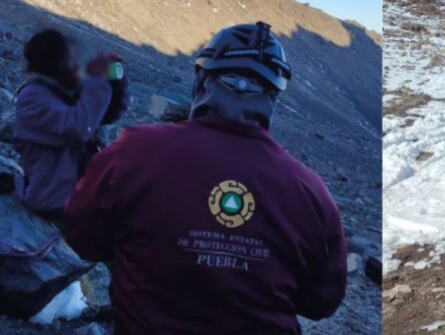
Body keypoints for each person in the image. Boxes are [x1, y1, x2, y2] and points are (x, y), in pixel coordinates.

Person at [65, 23, 346, 334]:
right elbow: (321, 302)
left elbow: (82, 237)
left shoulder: (133, 151)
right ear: (274, 95)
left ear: (201, 80)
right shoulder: (309, 189)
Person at [13, 29, 128, 221]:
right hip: (53, 200)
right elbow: (79, 129)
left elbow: (108, 115)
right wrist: (98, 82)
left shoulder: (65, 91)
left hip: (82, 196)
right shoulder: (32, 98)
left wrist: (116, 84)